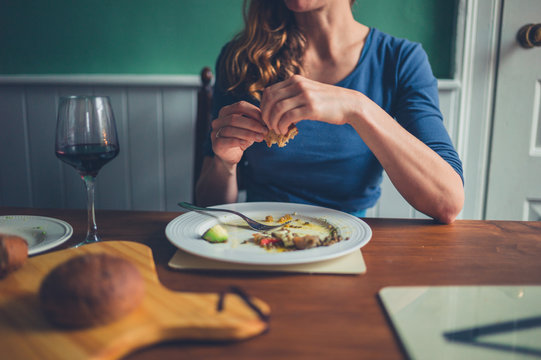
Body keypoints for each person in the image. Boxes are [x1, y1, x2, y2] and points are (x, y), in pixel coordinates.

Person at [195, 0, 464, 224]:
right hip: (256, 238)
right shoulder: (241, 59)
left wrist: (357, 107)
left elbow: (447, 202)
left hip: (350, 243)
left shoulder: (400, 60)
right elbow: (206, 205)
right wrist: (224, 164)